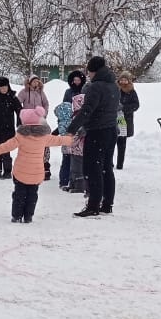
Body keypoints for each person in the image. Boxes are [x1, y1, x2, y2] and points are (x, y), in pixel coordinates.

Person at [0, 107, 74, 223]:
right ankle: (28, 216)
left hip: (20, 172)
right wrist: (70, 139)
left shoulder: (21, 136)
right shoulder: (44, 137)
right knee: (32, 195)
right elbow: (58, 140)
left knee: (19, 194)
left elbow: (6, 146)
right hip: (36, 172)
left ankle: (17, 215)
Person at [65, 55, 121, 217]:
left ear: (93, 71)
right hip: (111, 131)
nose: (88, 75)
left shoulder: (95, 87)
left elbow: (87, 111)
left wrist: (72, 128)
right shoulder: (113, 86)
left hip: (97, 132)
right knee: (106, 168)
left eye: (88, 71)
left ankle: (93, 205)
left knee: (92, 167)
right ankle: (107, 203)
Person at [0, 76, 23, 179]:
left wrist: (19, 125)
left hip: (8, 129)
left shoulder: (12, 97)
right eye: (1, 87)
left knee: (6, 151)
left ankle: (7, 171)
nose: (4, 89)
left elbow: (20, 111)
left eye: (5, 87)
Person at [18, 75, 52, 181]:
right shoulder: (24, 92)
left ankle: (45, 166)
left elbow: (46, 104)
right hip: (28, 122)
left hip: (40, 120)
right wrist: (23, 114)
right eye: (34, 81)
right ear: (30, 82)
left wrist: (44, 113)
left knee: (44, 142)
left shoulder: (41, 93)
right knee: (29, 144)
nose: (36, 83)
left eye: (37, 82)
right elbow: (17, 103)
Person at [116, 71, 140, 170]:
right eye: (122, 79)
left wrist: (124, 108)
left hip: (126, 121)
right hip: (113, 119)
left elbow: (136, 105)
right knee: (111, 142)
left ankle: (120, 164)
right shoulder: (115, 89)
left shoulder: (132, 91)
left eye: (125, 79)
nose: (123, 81)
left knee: (122, 143)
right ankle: (109, 164)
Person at [65, 93, 87, 193]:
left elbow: (78, 133)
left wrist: (70, 139)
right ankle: (72, 183)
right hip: (74, 148)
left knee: (78, 168)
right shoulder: (76, 115)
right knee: (73, 167)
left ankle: (79, 186)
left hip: (80, 148)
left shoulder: (81, 117)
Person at [53, 98, 74, 189]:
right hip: (75, 148)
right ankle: (73, 180)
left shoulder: (61, 123)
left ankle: (63, 181)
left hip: (65, 148)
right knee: (74, 165)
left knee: (65, 164)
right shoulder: (74, 121)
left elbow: (59, 132)